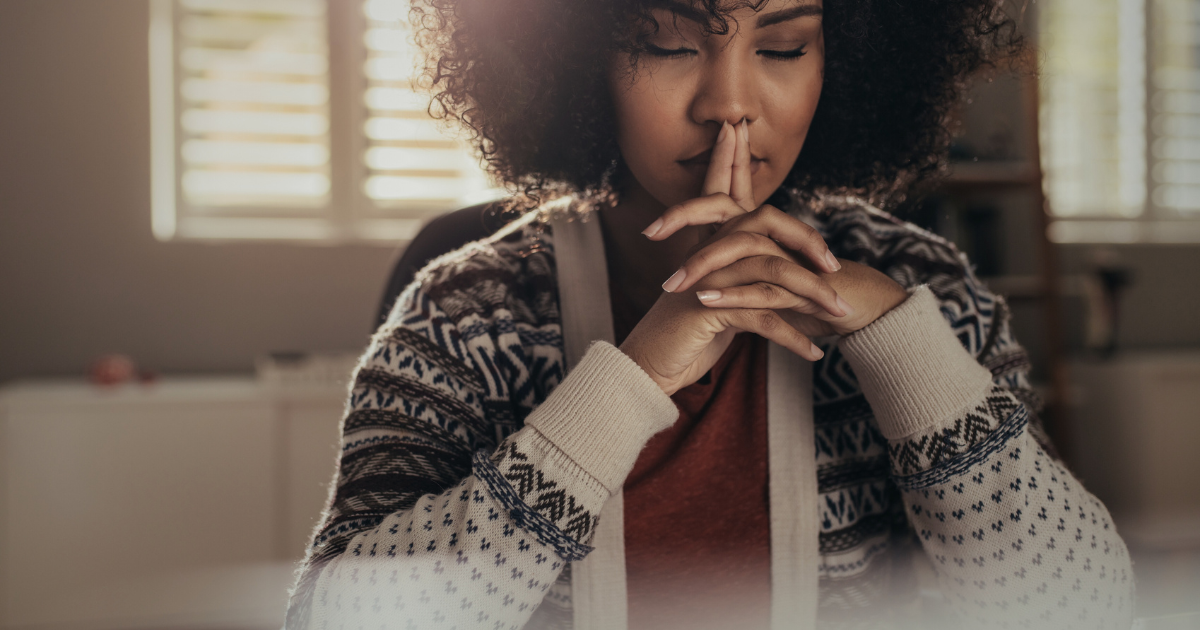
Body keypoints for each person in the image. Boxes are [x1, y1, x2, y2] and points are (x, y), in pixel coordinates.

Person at [284, 0, 1135, 628]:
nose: (730, 102)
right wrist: (634, 378)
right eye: (666, 43)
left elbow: (1083, 610)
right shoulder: (471, 315)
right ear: (576, 56)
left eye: (784, 46)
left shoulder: (923, 287)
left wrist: (901, 347)